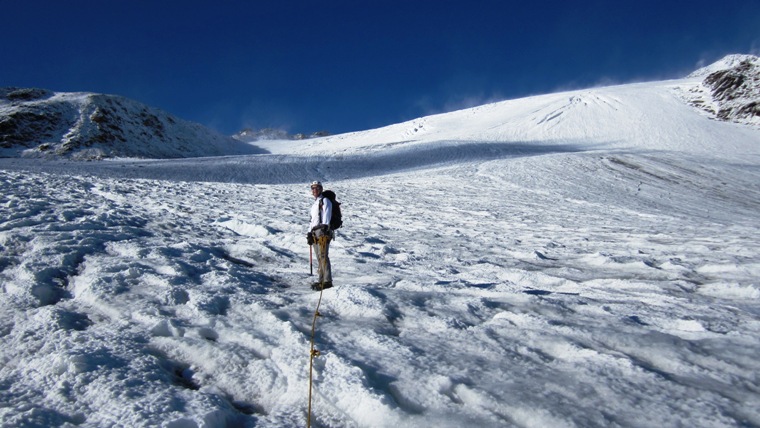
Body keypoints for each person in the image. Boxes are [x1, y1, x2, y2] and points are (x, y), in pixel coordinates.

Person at [307, 181, 333, 289]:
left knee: (323, 256)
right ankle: (321, 280)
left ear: (321, 189)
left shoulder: (325, 201)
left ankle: (327, 281)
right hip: (315, 232)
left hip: (323, 231)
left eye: (317, 188)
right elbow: (313, 220)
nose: (315, 190)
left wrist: (326, 229)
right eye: (313, 188)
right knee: (319, 256)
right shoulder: (315, 204)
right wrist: (309, 232)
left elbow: (327, 215)